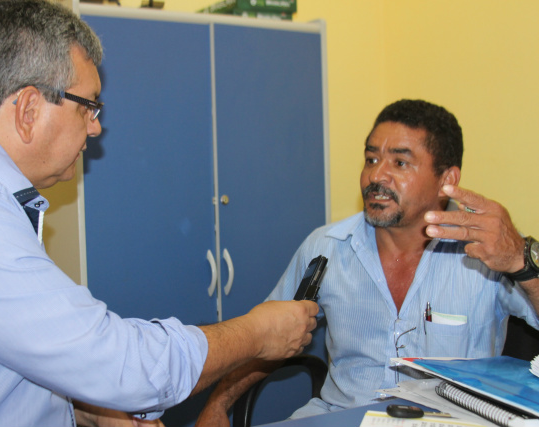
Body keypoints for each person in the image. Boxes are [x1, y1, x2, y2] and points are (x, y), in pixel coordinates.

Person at [0, 1, 319, 426]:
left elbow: (3, 358)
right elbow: (123, 364)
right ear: (28, 110)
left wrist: (89, 413)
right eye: (88, 106)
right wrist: (257, 334)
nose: (96, 127)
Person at [195, 99, 539, 426]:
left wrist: (521, 259)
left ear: (447, 180)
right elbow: (264, 336)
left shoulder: (487, 250)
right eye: (371, 159)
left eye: (400, 163)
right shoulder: (326, 247)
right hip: (340, 415)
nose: (376, 176)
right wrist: (218, 403)